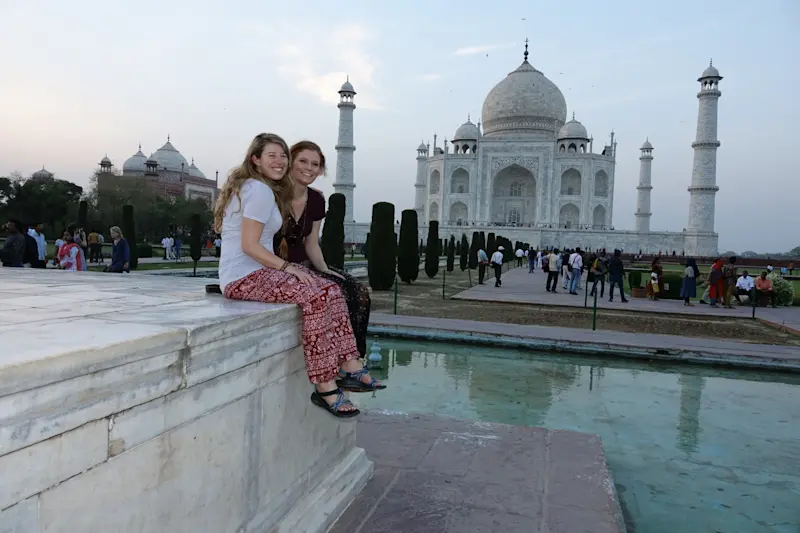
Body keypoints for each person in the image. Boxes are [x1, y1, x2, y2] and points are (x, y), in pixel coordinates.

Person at [215, 133, 381, 419]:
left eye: (282, 156)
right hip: (244, 276)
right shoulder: (260, 190)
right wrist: (286, 267)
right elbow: (249, 245)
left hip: (256, 271)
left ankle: (351, 365)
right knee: (317, 298)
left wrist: (311, 270)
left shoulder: (260, 188)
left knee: (331, 289)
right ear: (256, 159)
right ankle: (325, 386)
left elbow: (305, 242)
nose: (279, 161)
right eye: (272, 156)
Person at [275, 140, 371, 358]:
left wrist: (326, 271)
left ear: (320, 170)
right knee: (331, 295)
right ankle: (338, 361)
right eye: (303, 161)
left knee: (358, 292)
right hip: (276, 266)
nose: (309, 168)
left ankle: (352, 359)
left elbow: (310, 243)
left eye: (315, 164)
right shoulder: (272, 194)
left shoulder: (316, 199)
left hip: (305, 266)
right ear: (290, 162)